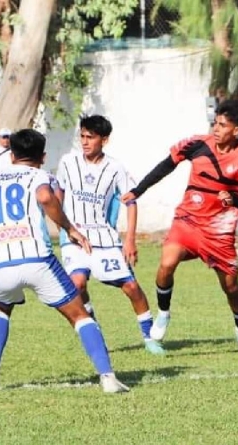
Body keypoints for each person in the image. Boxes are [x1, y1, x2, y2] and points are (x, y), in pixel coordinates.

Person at [0, 128, 129, 393]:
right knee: (80, 315)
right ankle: (108, 378)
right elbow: (44, 197)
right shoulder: (43, 176)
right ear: (42, 157)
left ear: (11, 156)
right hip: (37, 260)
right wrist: (70, 229)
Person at [120, 99, 238, 355]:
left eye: (222, 125)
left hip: (218, 232)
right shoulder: (198, 144)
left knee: (231, 287)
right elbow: (166, 166)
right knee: (166, 263)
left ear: (237, 130)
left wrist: (234, 200)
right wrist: (137, 191)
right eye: (215, 123)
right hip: (187, 221)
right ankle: (163, 314)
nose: (216, 129)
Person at [55, 115, 165, 355]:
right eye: (82, 136)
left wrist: (130, 240)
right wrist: (61, 227)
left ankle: (149, 337)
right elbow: (58, 194)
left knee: (131, 288)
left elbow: (131, 201)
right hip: (74, 236)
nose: (85, 142)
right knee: (77, 283)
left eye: (90, 137)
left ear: (104, 140)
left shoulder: (115, 168)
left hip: (104, 238)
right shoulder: (67, 162)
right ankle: (93, 329)